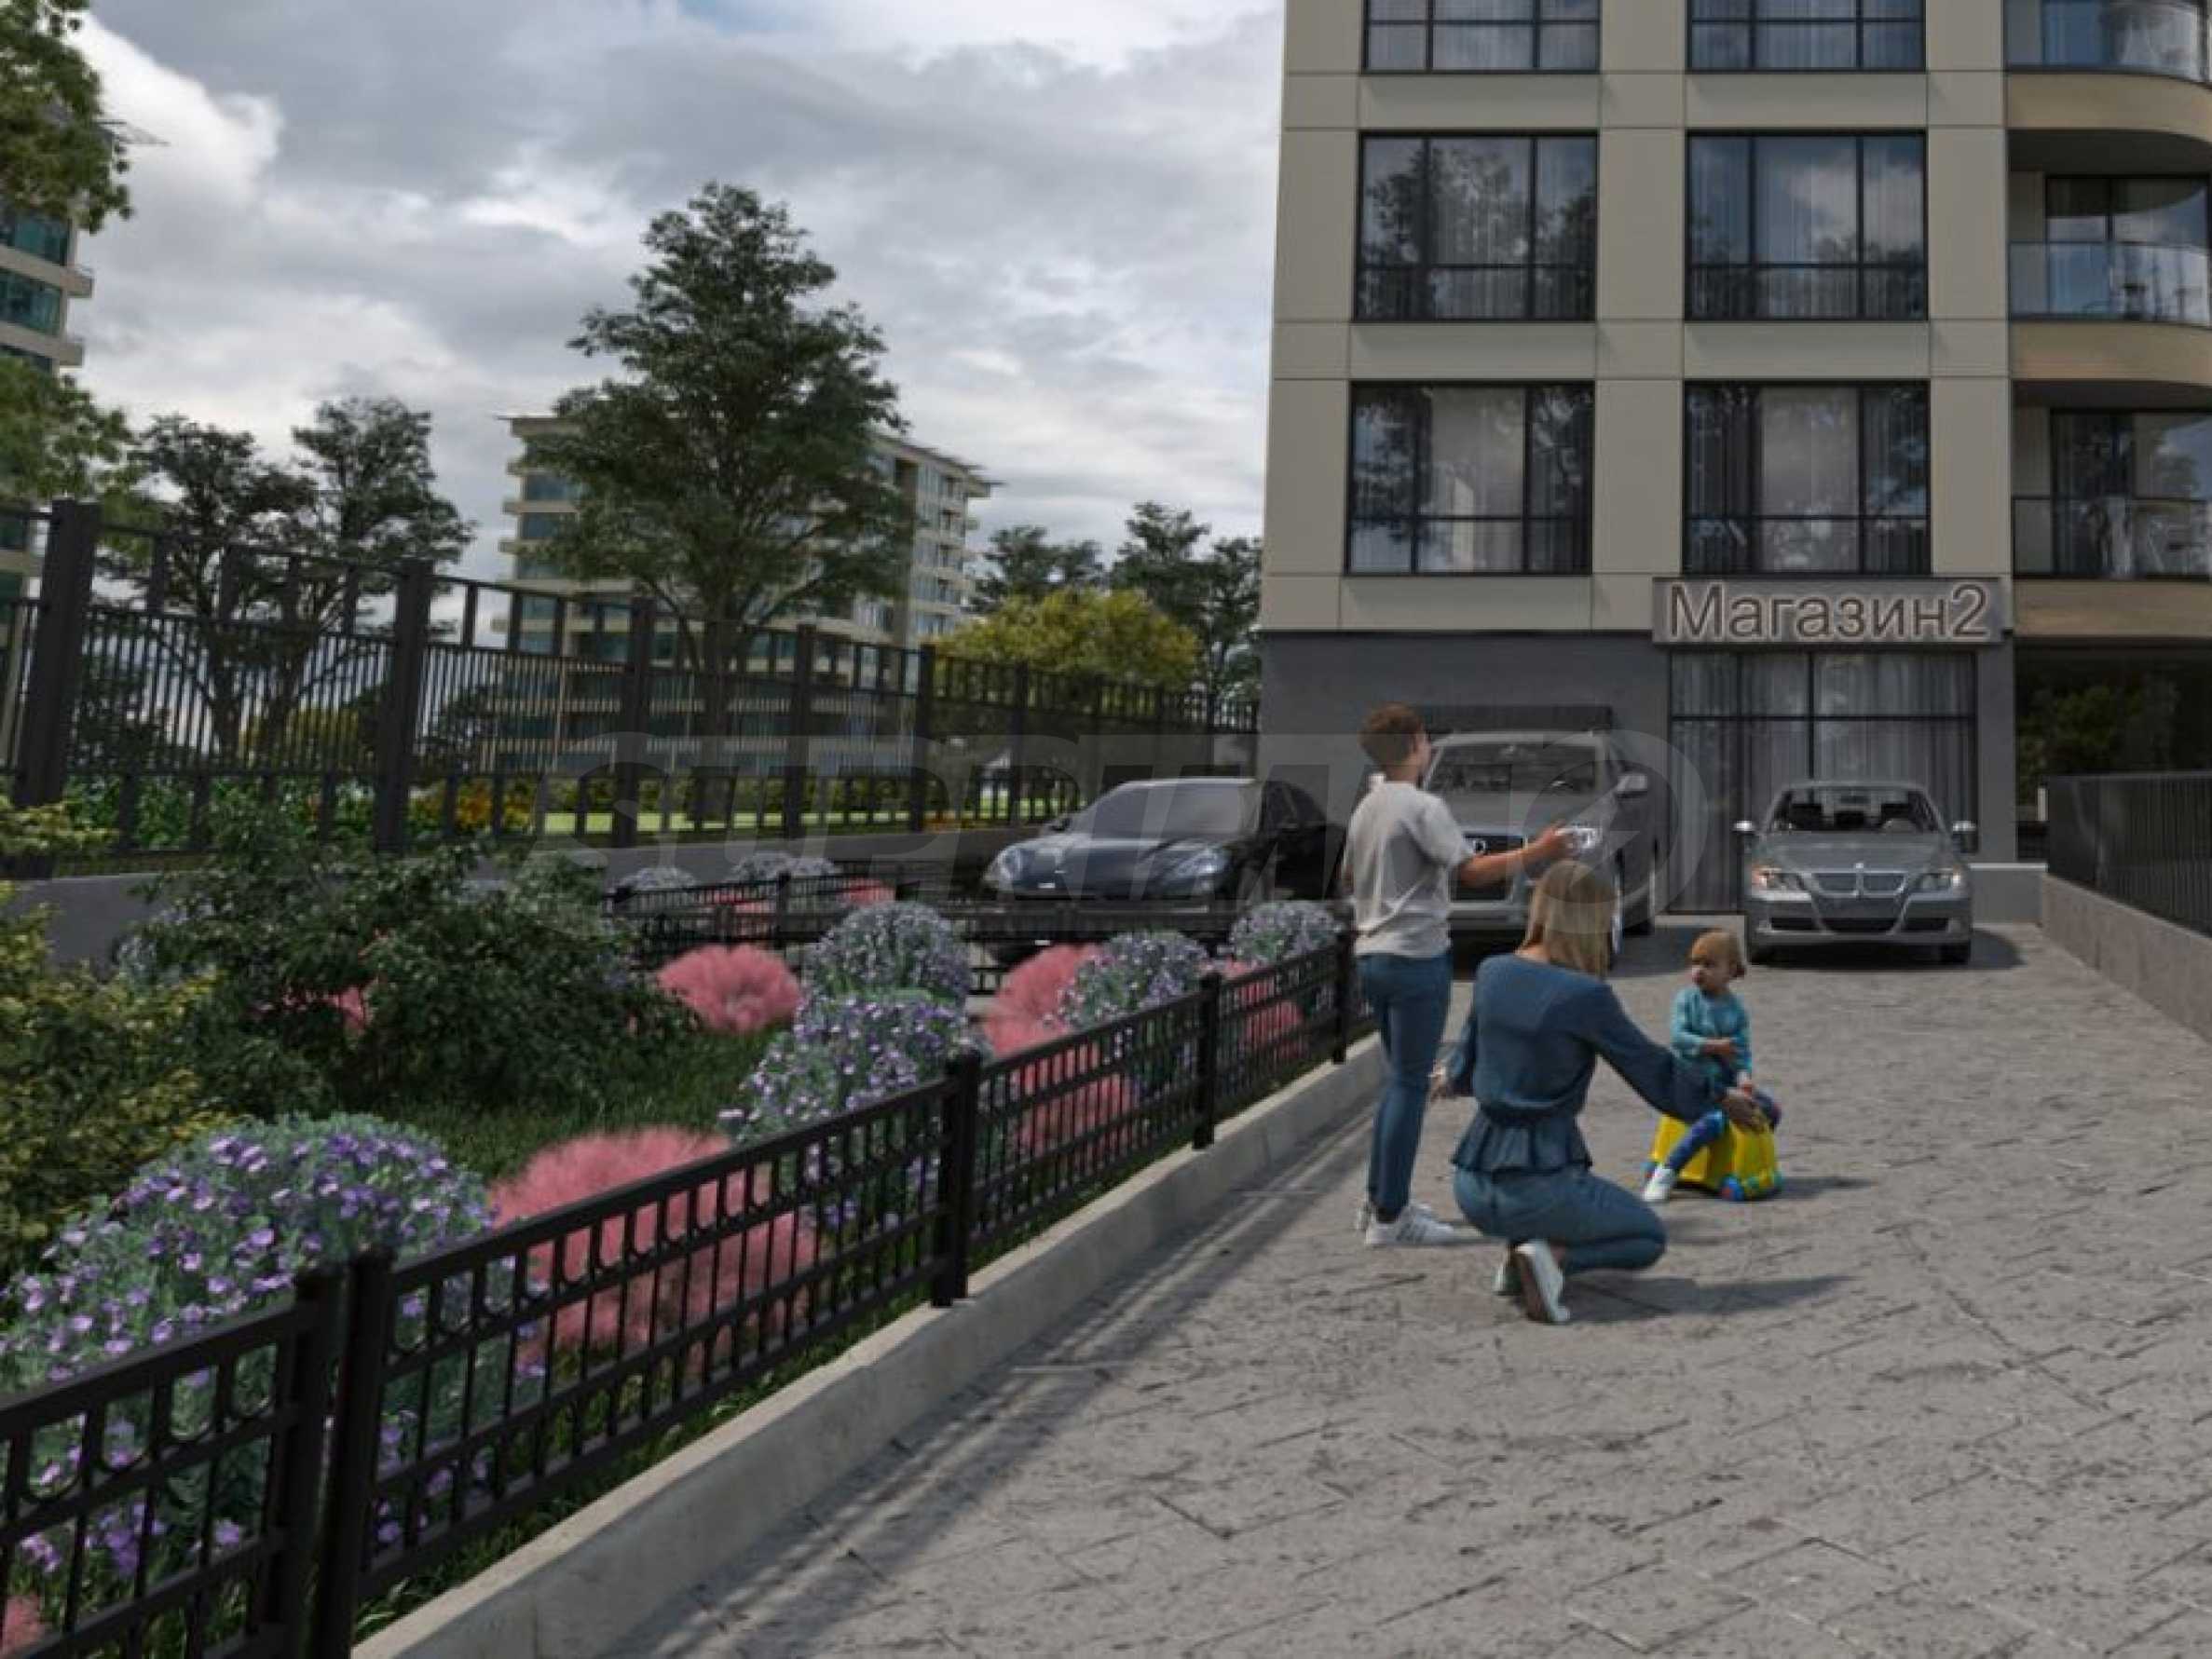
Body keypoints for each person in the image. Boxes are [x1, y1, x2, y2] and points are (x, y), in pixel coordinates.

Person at [1442, 862, 1766, 1324]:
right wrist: (1721, 1096)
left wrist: (1447, 1079)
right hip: (1540, 1181)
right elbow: (1651, 1067)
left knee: (1548, 1207)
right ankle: (1549, 1261)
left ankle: (1522, 1259)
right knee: (1647, 1237)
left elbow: (1464, 1062)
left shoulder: (1491, 972)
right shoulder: (1585, 995)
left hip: (1471, 1183)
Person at [1345, 704, 1573, 1246]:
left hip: (1371, 953)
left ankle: (1380, 1199)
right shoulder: (1423, 806)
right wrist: (1538, 852)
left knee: (1398, 1082)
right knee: (1410, 1083)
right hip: (1415, 956)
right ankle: (1391, 1218)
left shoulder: (1366, 807)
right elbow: (1470, 871)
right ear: (1415, 743)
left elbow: (1352, 874)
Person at [1641, 931, 1782, 1203]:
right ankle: (1667, 1171)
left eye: (1708, 964)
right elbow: (1678, 1038)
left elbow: (1741, 1054)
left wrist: (1744, 1079)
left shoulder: (1736, 1010)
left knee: (1769, 1110)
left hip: (1723, 1084)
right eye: (1695, 963)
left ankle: (1743, 1161)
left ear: (1731, 970)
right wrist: (1712, 1046)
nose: (1698, 971)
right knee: (1712, 1121)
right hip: (1689, 1083)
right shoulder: (1686, 1000)